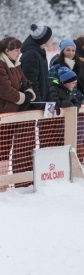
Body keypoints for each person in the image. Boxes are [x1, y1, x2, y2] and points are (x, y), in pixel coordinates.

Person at [14, 24, 52, 184]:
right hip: (29, 107)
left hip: (38, 104)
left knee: (31, 143)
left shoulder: (39, 52)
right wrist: (39, 103)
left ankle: (29, 177)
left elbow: (44, 80)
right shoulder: (31, 55)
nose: (51, 39)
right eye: (49, 36)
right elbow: (31, 82)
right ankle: (22, 180)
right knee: (25, 142)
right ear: (43, 39)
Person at [0, 36, 36, 189]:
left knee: (7, 149)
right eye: (16, 50)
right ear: (7, 51)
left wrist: (29, 93)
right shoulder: (1, 65)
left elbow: (26, 82)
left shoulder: (16, 64)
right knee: (2, 149)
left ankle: (6, 183)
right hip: (3, 114)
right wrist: (23, 98)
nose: (19, 53)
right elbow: (5, 90)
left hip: (13, 112)